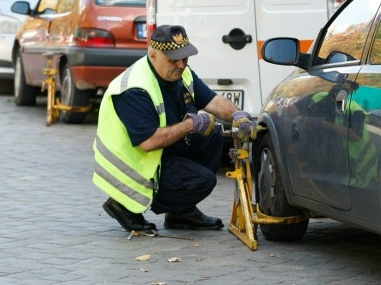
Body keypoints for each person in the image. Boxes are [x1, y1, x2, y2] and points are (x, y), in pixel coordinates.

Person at [92, 24, 258, 233]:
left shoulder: (181, 73)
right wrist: (191, 124)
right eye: (173, 59)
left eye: (185, 58)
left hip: (158, 156)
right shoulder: (134, 88)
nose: (181, 65)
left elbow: (214, 102)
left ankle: (181, 213)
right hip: (134, 168)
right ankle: (123, 205)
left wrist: (238, 115)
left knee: (213, 134)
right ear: (152, 55)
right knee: (202, 181)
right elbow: (149, 142)